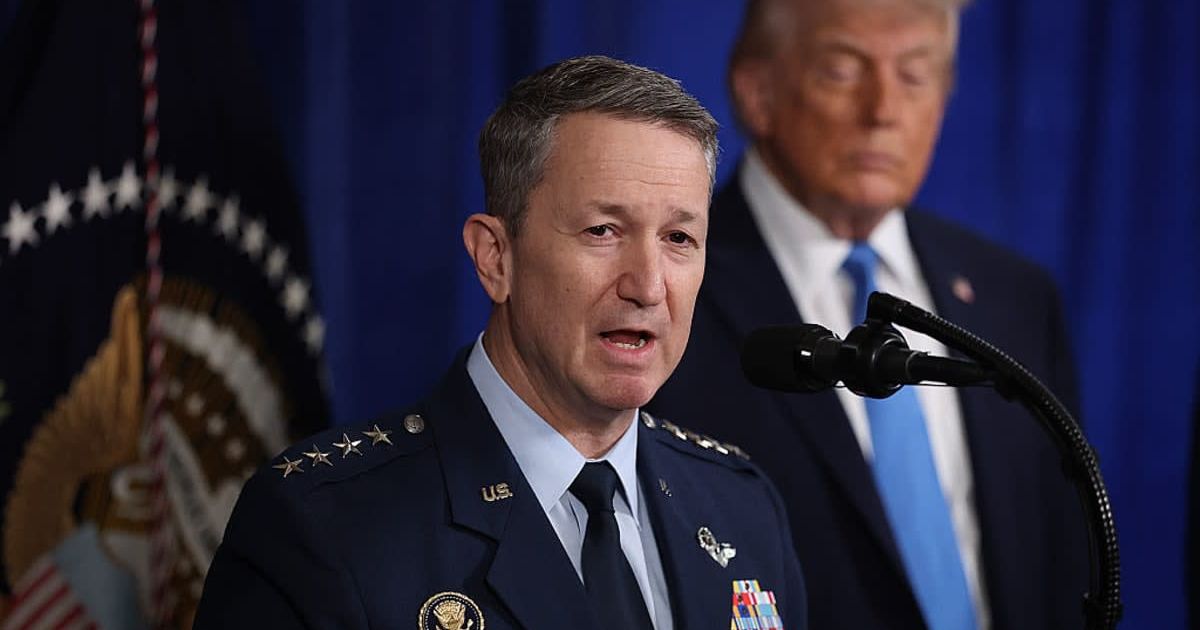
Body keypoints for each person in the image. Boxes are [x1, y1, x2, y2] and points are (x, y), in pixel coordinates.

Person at [195, 55, 807, 630]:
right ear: (496, 258)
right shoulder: (321, 526)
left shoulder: (743, 508)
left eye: (679, 239)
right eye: (603, 230)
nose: (648, 286)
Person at [648, 1, 1088, 629]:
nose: (883, 110)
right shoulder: (664, 290)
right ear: (757, 91)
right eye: (843, 70)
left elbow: (1061, 558)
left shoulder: (1014, 298)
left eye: (914, 75)